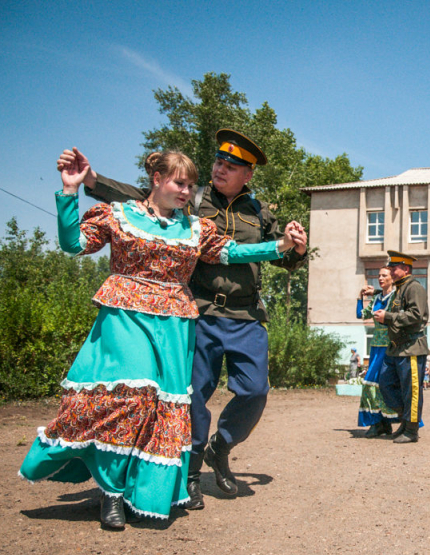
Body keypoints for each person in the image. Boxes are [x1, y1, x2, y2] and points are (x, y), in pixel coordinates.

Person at [20, 151, 300, 529]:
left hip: (174, 324)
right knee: (128, 398)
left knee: (160, 407)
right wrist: (71, 191)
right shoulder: (121, 215)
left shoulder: (196, 227)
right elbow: (73, 245)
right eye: (179, 183)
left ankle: (143, 491)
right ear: (156, 178)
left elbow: (232, 252)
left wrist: (281, 246)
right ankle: (111, 491)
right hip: (125, 316)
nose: (186, 192)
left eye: (189, 185)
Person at [373, 251, 429, 444]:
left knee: (411, 390)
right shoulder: (399, 288)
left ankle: (411, 429)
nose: (390, 270)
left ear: (405, 268)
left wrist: (388, 317)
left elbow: (416, 316)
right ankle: (405, 420)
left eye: (394, 267)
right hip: (396, 348)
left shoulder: (414, 288)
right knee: (386, 384)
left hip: (412, 347)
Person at [356, 267, 398, 437]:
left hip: (390, 347)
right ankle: (380, 423)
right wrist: (361, 297)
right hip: (375, 347)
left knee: (382, 384)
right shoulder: (376, 299)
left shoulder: (396, 297)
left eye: (384, 275)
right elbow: (361, 315)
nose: (380, 277)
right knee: (372, 384)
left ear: (392, 278)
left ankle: (386, 422)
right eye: (378, 275)